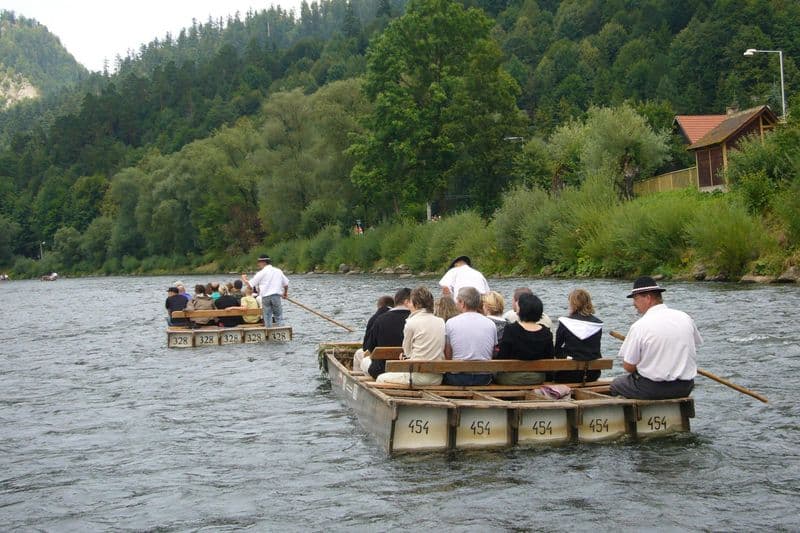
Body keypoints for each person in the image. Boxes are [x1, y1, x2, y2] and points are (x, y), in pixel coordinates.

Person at [610, 276, 701, 400]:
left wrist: (646, 363)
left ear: (648, 298)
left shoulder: (640, 326)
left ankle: (634, 416)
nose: (634, 304)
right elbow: (693, 344)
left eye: (636, 299)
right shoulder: (685, 317)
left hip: (652, 389)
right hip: (685, 387)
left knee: (616, 384)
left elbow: (628, 366)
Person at [377, 287, 445, 386]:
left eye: (411, 302)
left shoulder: (411, 322)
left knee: (381, 378)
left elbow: (407, 352)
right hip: (437, 378)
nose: (409, 305)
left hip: (417, 377)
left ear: (416, 304)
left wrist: (404, 357)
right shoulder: (440, 321)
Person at [494, 294, 553, 385]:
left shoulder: (511, 329)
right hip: (537, 378)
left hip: (511, 378)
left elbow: (502, 357)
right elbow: (549, 358)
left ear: (521, 310)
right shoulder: (546, 333)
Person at [443, 287, 497, 386]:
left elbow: (448, 354)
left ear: (462, 303)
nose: (456, 304)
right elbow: (492, 352)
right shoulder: (490, 324)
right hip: (484, 378)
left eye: (457, 301)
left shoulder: (450, 323)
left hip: (458, 378)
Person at [553, 288, 603, 383]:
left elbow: (557, 349)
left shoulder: (565, 322)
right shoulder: (597, 324)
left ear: (572, 304)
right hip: (592, 374)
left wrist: (566, 355)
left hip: (568, 374)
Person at [361, 288, 412, 379]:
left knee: (364, 360)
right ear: (408, 302)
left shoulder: (380, 319)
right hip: (410, 369)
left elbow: (370, 347)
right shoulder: (415, 319)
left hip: (382, 369)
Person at [242, 255, 289, 327]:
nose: (258, 264)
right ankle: (282, 330)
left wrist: (244, 279)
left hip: (266, 297)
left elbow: (250, 285)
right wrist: (285, 293)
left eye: (259, 262)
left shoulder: (261, 273)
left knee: (267, 317)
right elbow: (286, 284)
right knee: (279, 316)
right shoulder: (278, 271)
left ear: (263, 262)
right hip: (276, 296)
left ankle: (269, 331)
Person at [353, 295, 395, 373]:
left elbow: (366, 347)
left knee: (358, 354)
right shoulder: (405, 316)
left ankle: (358, 378)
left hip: (379, 365)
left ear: (379, 306)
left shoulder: (375, 319)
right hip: (399, 358)